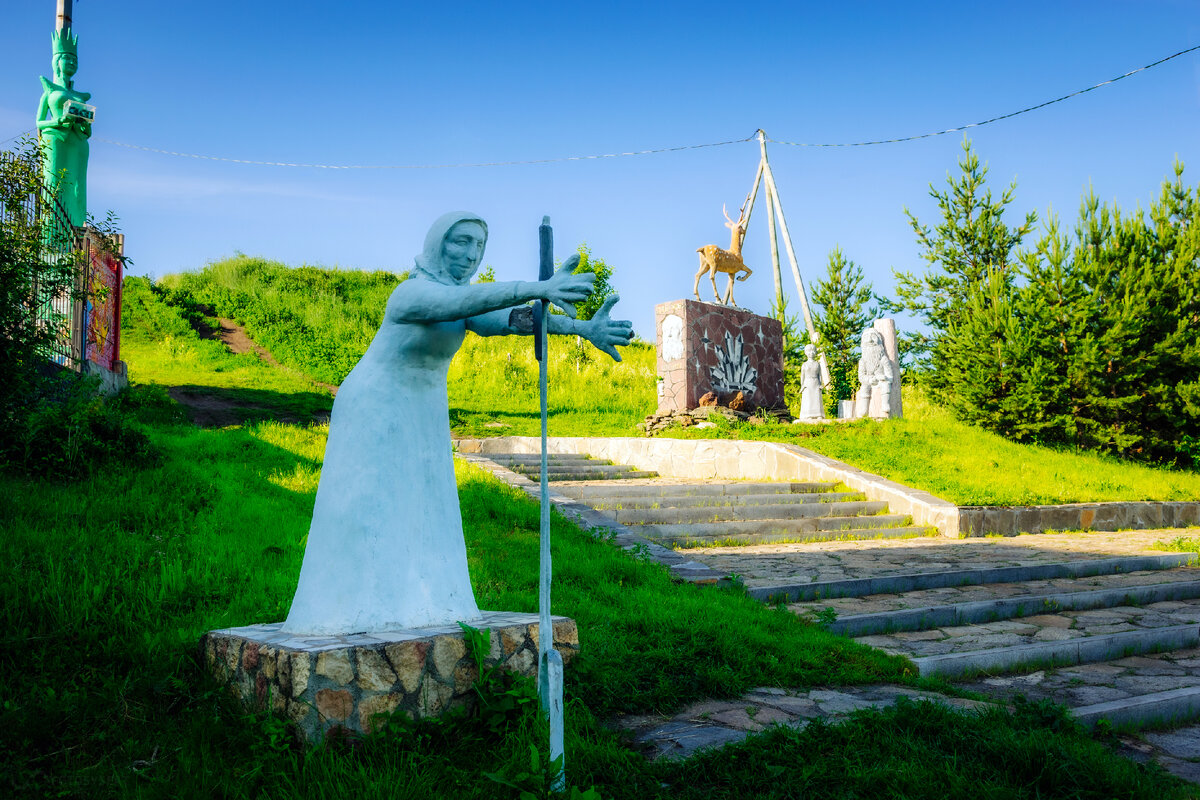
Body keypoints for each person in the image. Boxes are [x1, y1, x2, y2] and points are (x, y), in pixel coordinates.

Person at [282, 212, 633, 635]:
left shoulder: (461, 303)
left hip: (422, 407)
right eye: (460, 242)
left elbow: (513, 320)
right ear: (436, 245)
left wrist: (580, 327)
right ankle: (346, 610)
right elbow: (467, 302)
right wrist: (539, 287)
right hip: (375, 406)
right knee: (370, 507)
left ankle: (422, 604)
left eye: (478, 247)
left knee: (426, 506)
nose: (470, 255)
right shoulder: (410, 294)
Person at [37, 28, 91, 227]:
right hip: (56, 139)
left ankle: (76, 232)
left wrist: (85, 127)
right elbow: (39, 122)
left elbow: (88, 130)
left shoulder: (79, 96)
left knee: (77, 187)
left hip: (78, 141)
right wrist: (57, 122)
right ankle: (51, 234)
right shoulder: (50, 90)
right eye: (67, 58)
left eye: (74, 59)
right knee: (54, 184)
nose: (72, 62)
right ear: (57, 61)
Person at [798, 343, 823, 420]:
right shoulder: (804, 365)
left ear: (815, 352)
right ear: (805, 352)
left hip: (816, 382)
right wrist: (802, 385)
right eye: (809, 351)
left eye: (813, 351)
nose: (811, 353)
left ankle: (818, 414)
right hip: (807, 384)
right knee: (809, 399)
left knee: (816, 399)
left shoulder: (817, 364)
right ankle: (809, 414)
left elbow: (820, 375)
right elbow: (802, 376)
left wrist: (820, 384)